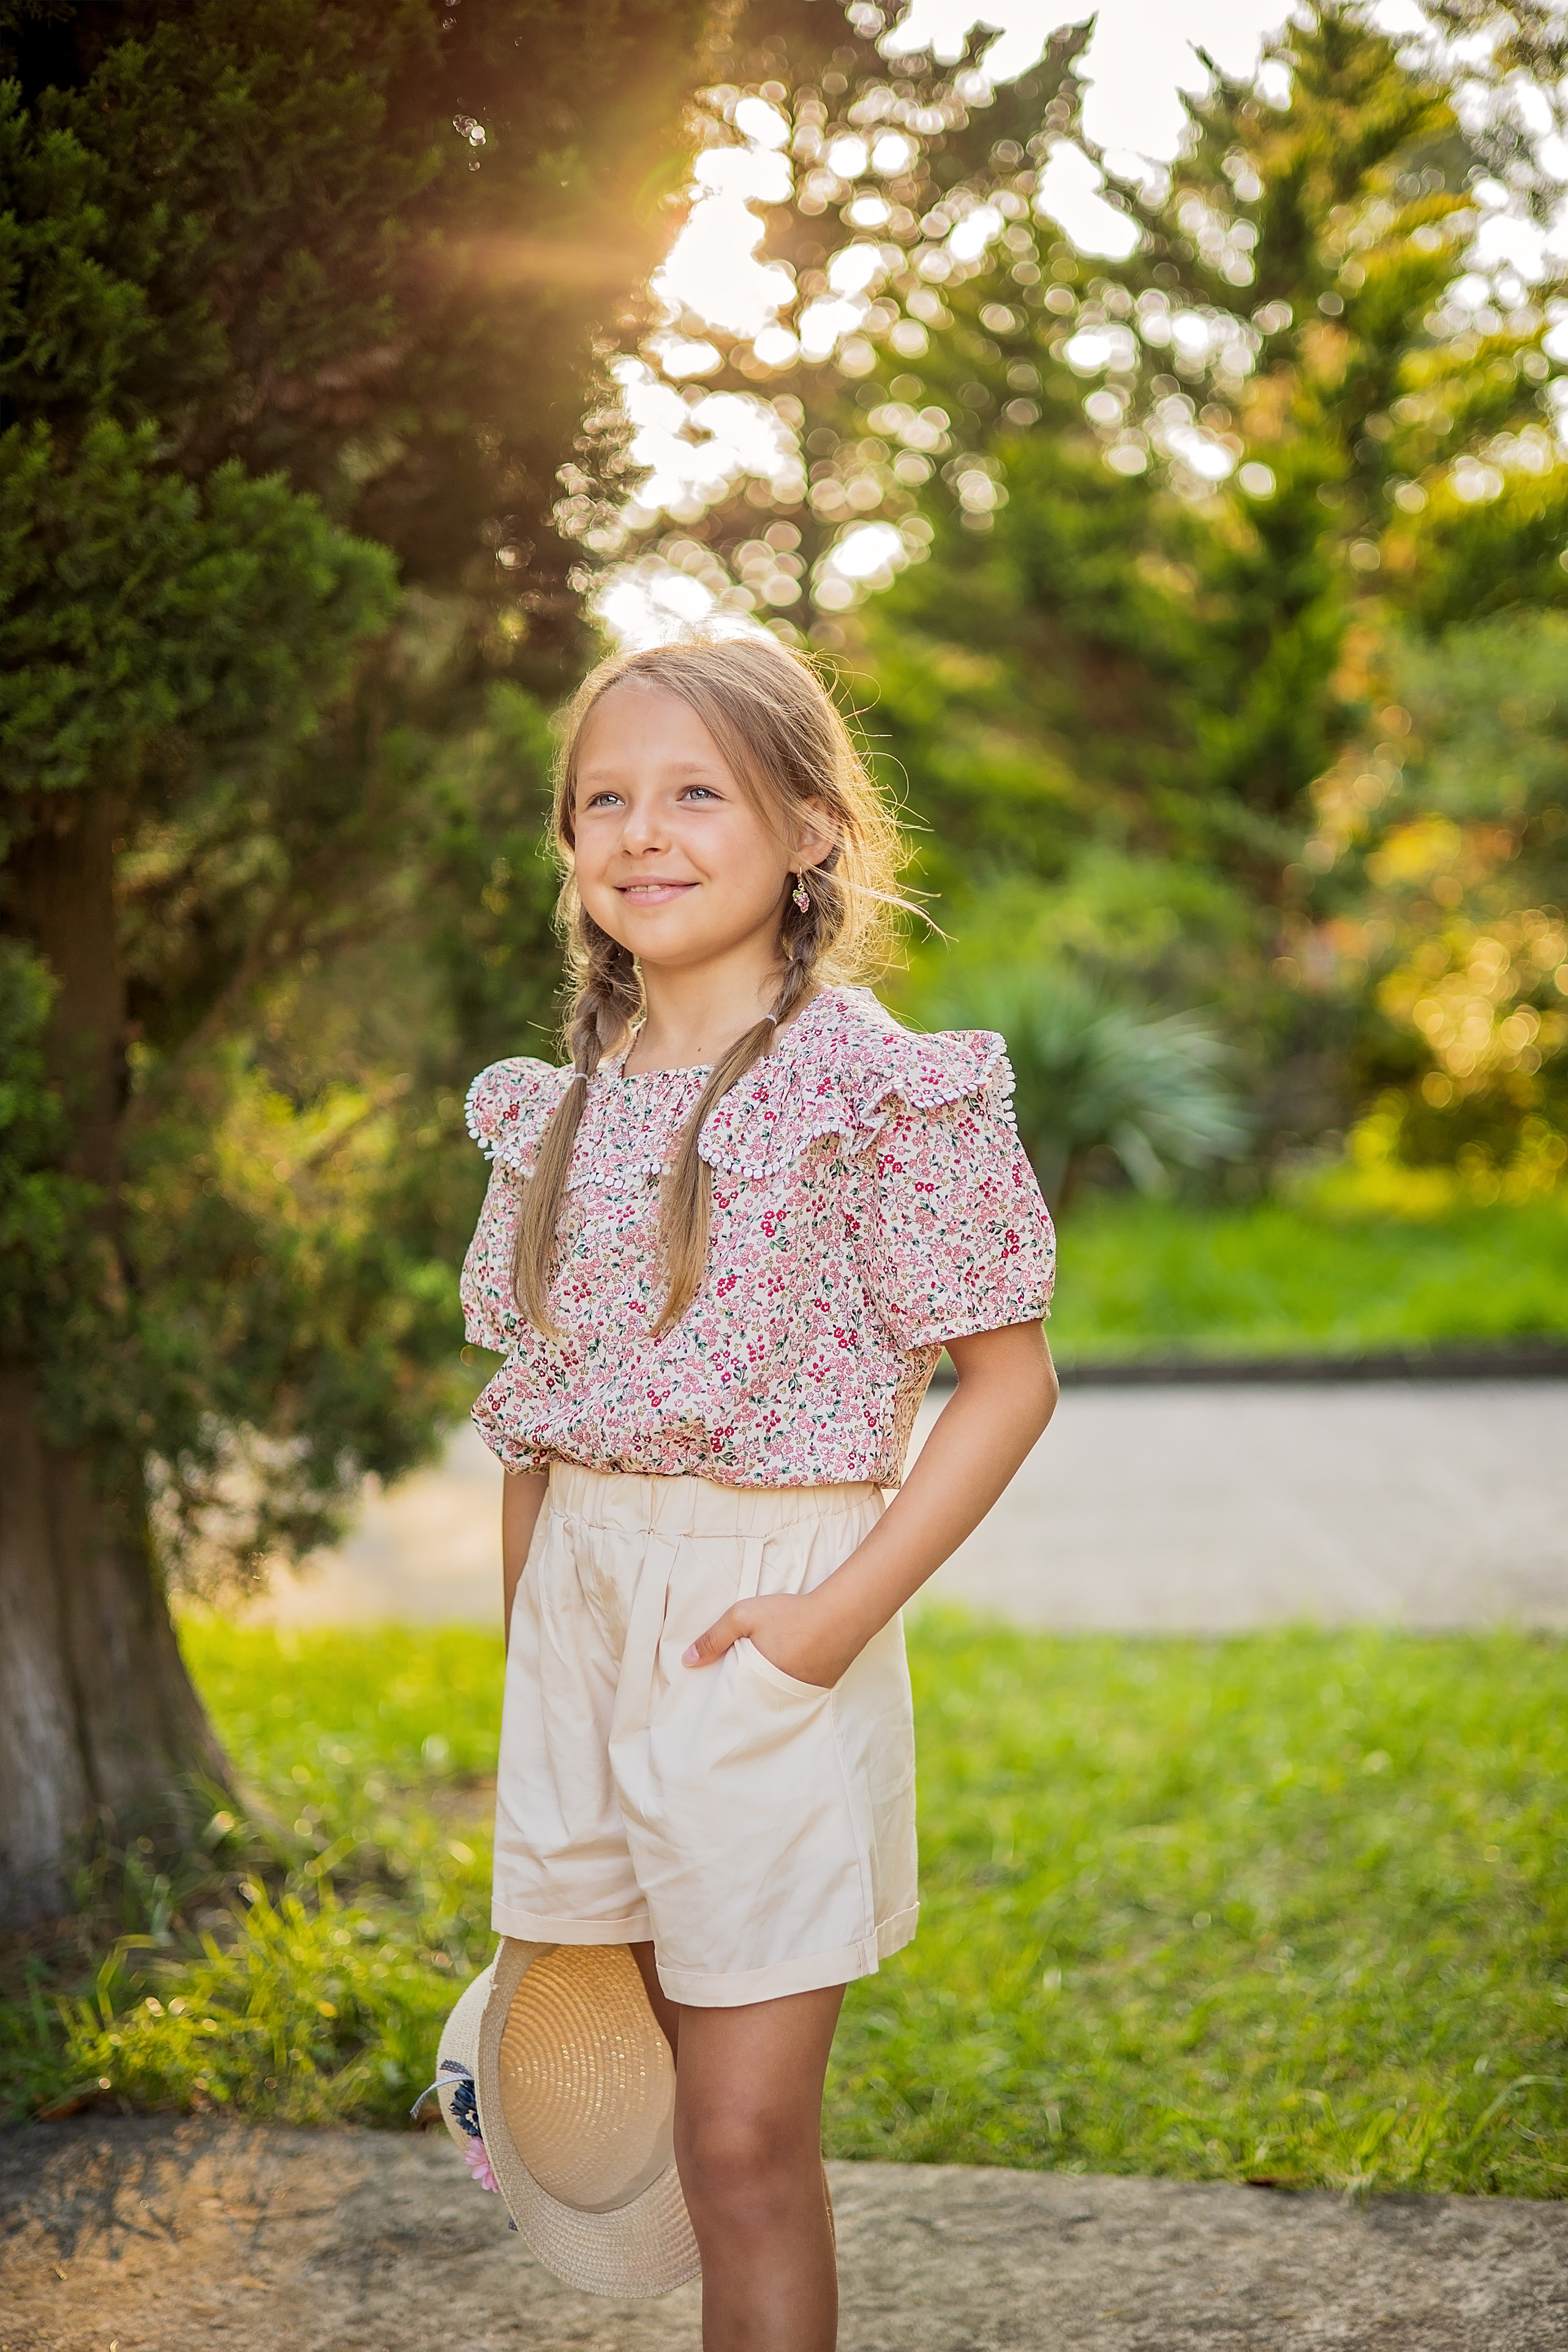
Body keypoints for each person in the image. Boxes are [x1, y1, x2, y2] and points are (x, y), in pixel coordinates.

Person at [459, 631, 1058, 2350]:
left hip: (764, 1624)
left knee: (738, 2140)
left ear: (809, 828)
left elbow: (1006, 1385)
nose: (642, 831)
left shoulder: (877, 1090)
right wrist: (531, 1673)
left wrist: (821, 1627)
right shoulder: (553, 1111)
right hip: (577, 1619)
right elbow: (535, 1433)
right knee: (655, 2116)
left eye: (696, 792)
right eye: (605, 801)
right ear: (572, 848)